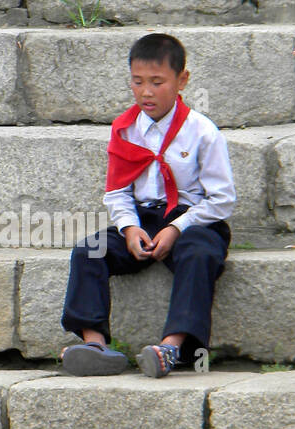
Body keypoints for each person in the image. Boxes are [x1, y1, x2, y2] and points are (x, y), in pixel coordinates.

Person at [59, 33, 236, 378]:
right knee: (88, 251)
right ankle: (94, 343)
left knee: (200, 255)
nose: (146, 92)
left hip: (193, 219)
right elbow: (117, 192)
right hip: (143, 219)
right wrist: (128, 227)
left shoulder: (202, 132)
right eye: (137, 82)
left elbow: (222, 200)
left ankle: (171, 347)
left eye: (157, 82)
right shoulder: (125, 130)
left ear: (182, 80)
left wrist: (176, 228)